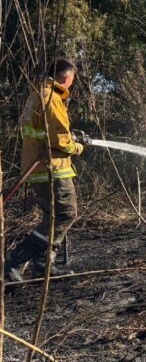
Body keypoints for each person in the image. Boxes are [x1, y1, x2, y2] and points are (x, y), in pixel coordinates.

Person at [5, 59, 87, 282]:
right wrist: (78, 146)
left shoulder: (37, 94)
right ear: (66, 78)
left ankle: (43, 267)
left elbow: (48, 131)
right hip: (52, 169)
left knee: (53, 217)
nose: (71, 84)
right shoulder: (51, 97)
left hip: (40, 168)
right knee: (65, 214)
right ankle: (14, 261)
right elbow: (61, 140)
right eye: (72, 80)